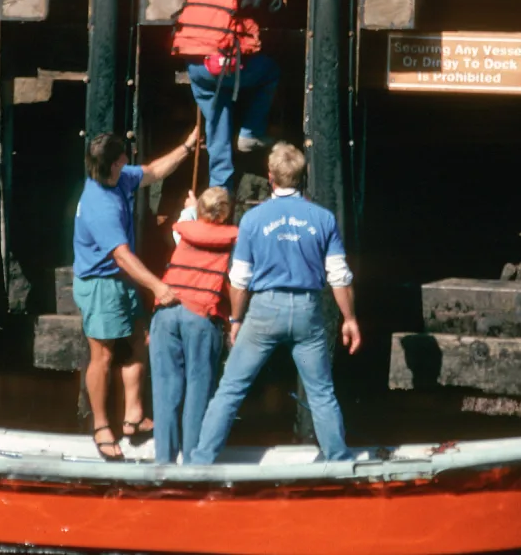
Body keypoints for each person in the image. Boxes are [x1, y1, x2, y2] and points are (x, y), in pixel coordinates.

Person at [190, 142, 361, 466]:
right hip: (308, 310)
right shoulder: (323, 219)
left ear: (270, 178)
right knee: (321, 392)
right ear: (302, 176)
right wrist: (349, 319)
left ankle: (200, 463)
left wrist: (236, 321)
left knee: (230, 390)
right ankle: (339, 462)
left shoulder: (253, 220)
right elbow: (339, 275)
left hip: (266, 309)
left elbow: (239, 280)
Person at [72, 127, 198, 461]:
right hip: (100, 284)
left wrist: (187, 144)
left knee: (141, 343)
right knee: (103, 355)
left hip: (120, 281)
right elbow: (122, 256)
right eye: (124, 157)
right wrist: (158, 286)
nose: (129, 160)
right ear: (115, 163)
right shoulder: (100, 205)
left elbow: (154, 172)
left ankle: (133, 416)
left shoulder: (119, 177)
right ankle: (101, 426)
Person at [168, 0, 282, 188]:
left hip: (197, 66)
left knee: (217, 124)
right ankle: (251, 132)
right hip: (225, 67)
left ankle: (220, 192)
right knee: (270, 71)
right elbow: (275, 9)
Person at [149, 185, 239, 464]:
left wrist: (192, 206)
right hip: (201, 317)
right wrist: (236, 319)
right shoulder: (235, 242)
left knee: (165, 390)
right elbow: (237, 281)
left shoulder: (184, 231)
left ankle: (164, 461)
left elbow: (187, 219)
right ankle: (192, 463)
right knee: (198, 391)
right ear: (225, 216)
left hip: (166, 313)